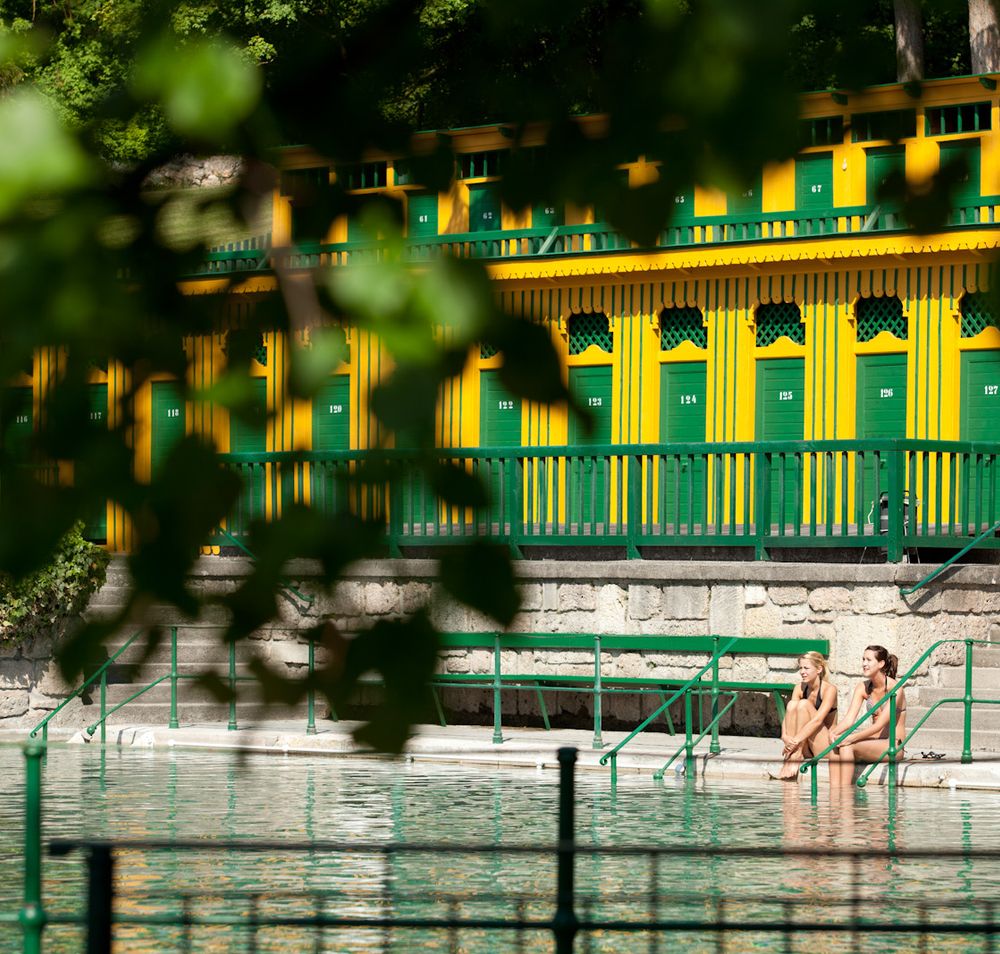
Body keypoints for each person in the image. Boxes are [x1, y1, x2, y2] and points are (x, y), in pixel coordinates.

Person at [828, 645, 906, 786]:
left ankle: (845, 798)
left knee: (846, 746)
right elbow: (849, 719)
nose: (864, 663)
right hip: (872, 742)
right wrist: (834, 733)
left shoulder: (895, 689)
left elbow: (879, 725)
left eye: (869, 660)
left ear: (881, 664)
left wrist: (850, 738)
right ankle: (833, 795)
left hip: (893, 745)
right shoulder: (862, 687)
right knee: (836, 744)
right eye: (863, 659)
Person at [775, 651, 838, 780]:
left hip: (824, 746)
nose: (802, 672)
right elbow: (789, 716)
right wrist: (785, 737)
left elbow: (818, 720)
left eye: (806, 668)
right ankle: (792, 757)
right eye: (800, 668)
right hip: (804, 744)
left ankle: (795, 756)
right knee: (792, 705)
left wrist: (795, 742)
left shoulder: (829, 689)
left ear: (819, 669)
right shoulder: (799, 688)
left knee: (803, 704)